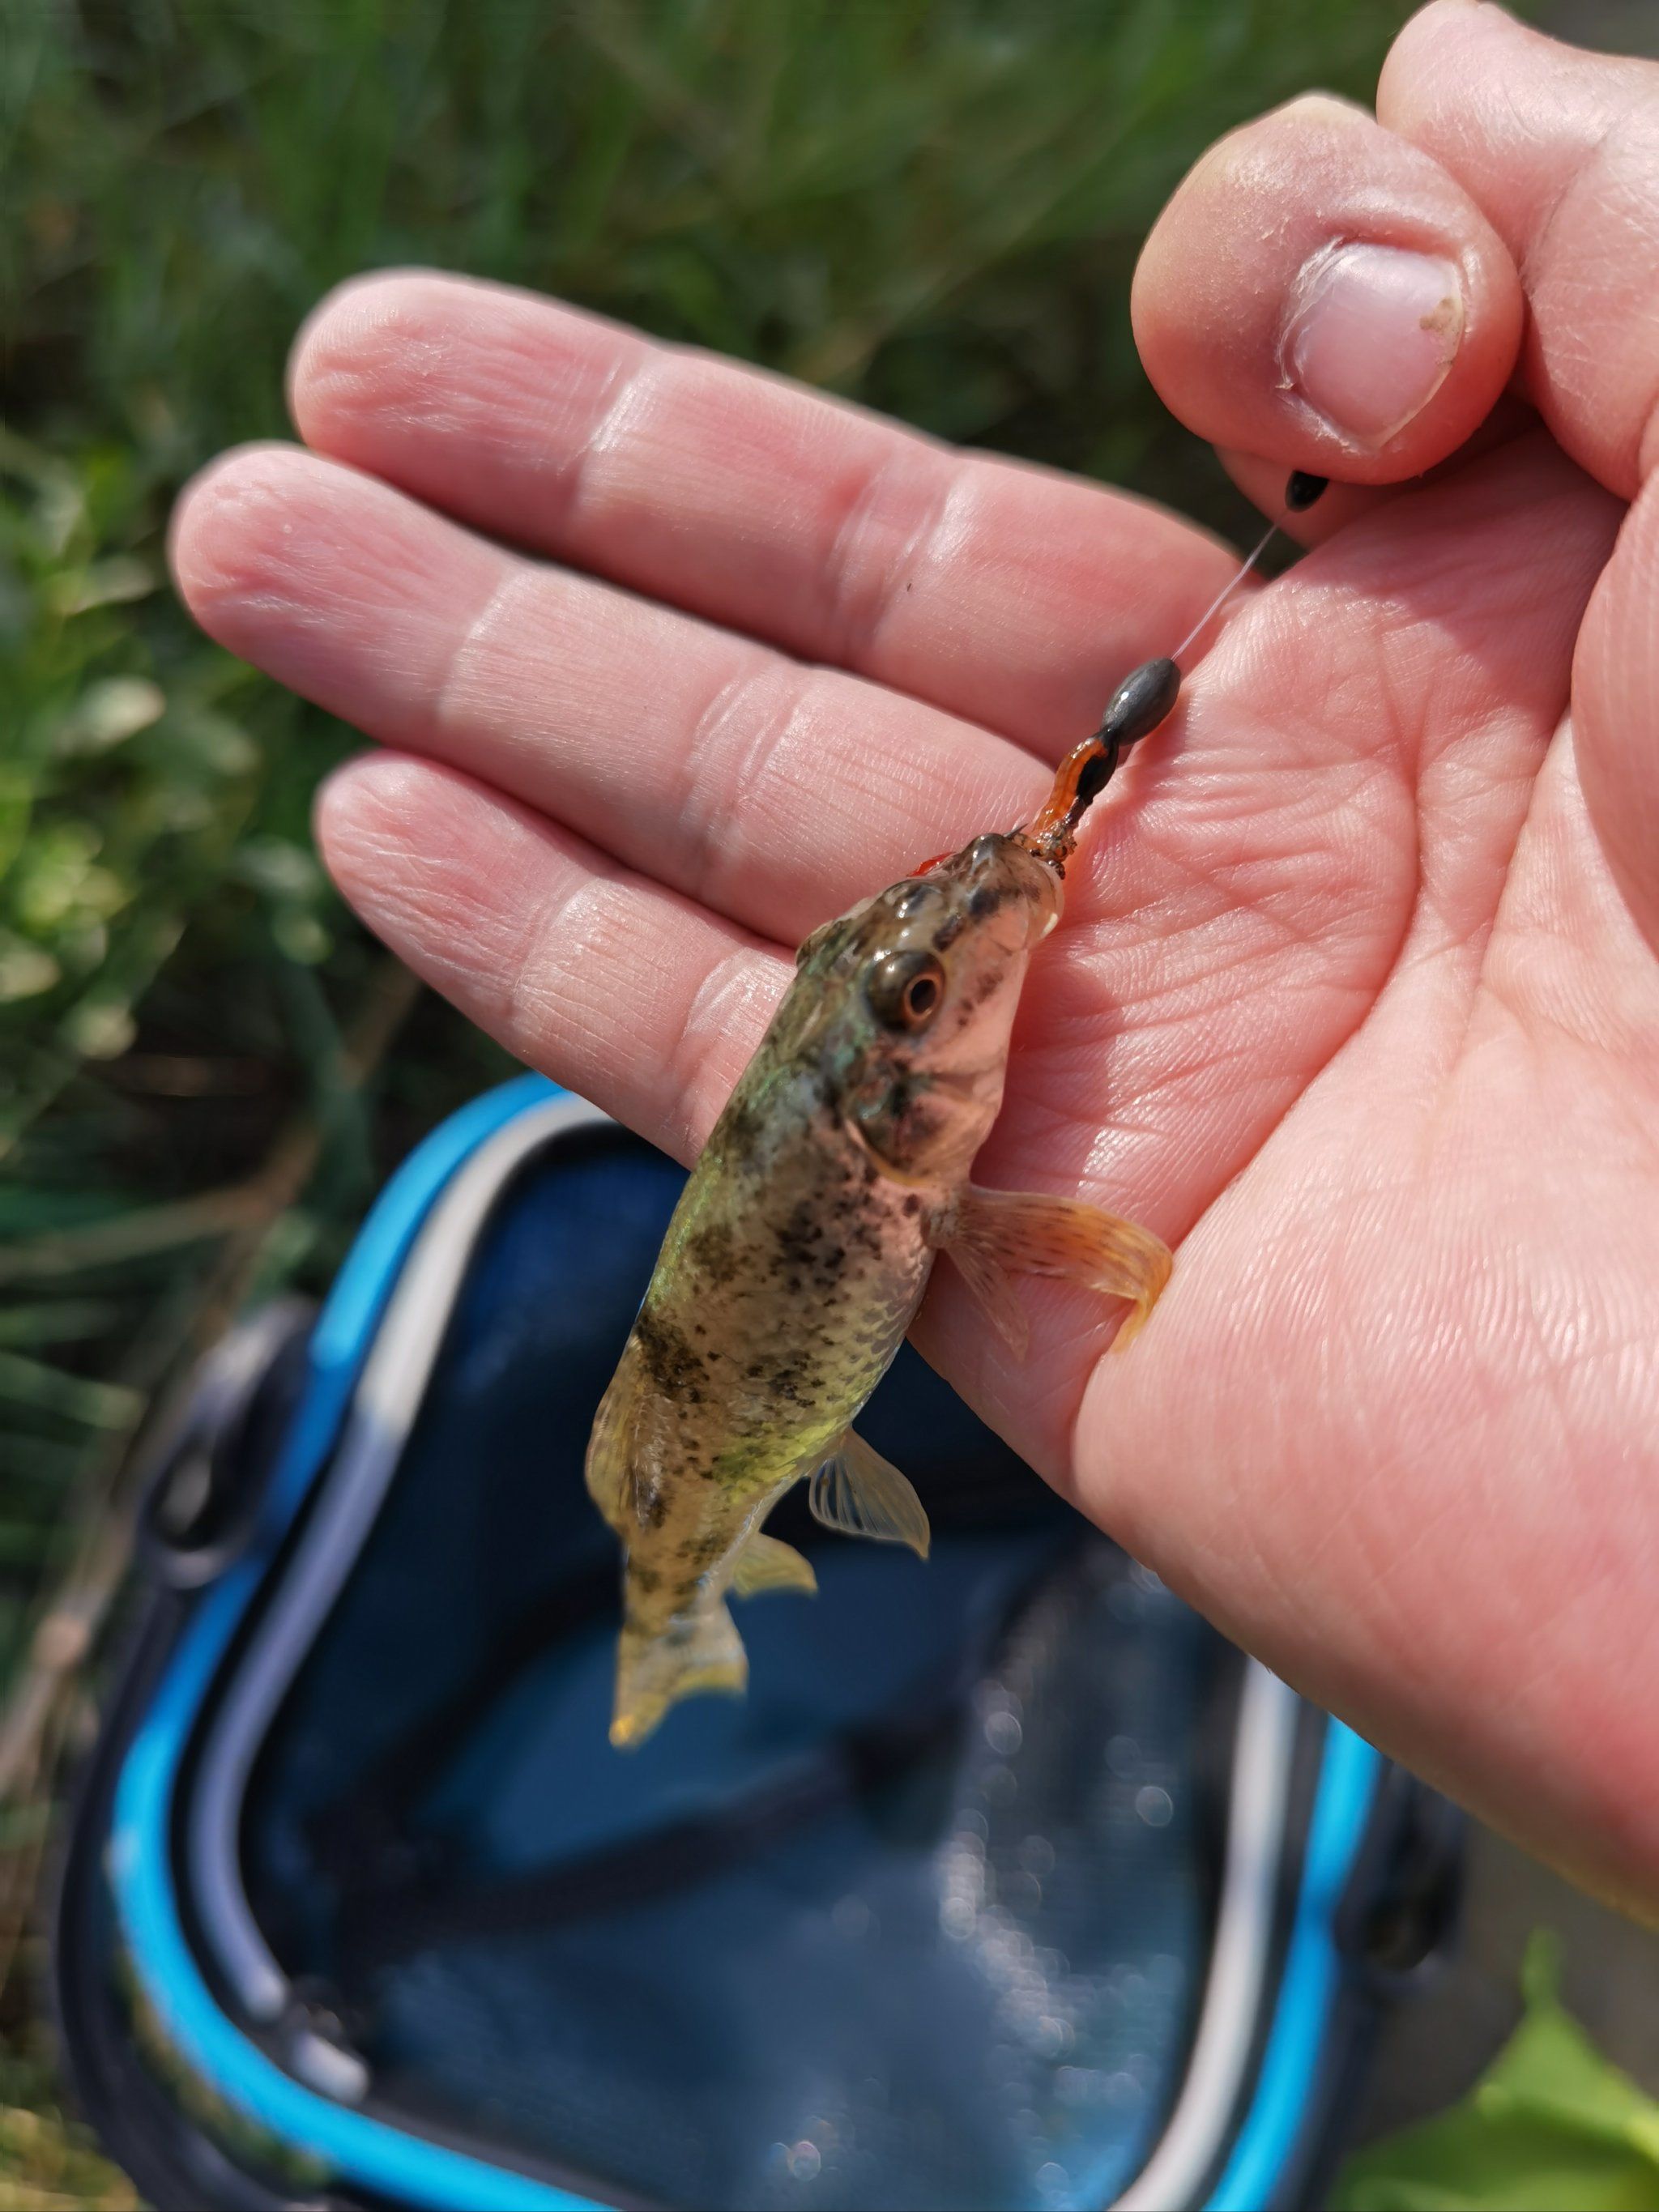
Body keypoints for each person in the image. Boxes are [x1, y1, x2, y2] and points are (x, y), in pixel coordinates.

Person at [171, 2, 1659, 1916]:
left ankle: (671, 1607)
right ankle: (673, 1614)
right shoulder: (896, 1176)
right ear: (886, 1095)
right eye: (908, 1002)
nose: (949, 974)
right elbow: (1022, 1241)